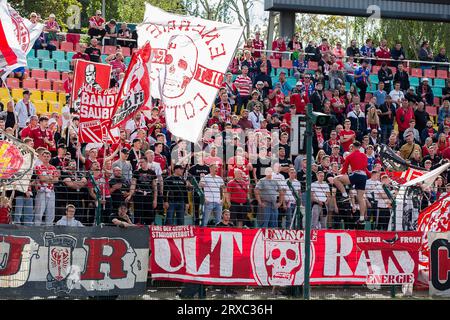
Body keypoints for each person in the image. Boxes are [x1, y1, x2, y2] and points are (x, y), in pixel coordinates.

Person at [333, 141, 370, 226]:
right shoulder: (364, 156)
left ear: (352, 147)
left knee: (336, 179)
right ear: (360, 147)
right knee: (361, 198)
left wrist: (340, 174)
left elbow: (344, 170)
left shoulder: (350, 156)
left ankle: (345, 195)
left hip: (355, 174)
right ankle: (361, 219)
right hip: (363, 176)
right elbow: (365, 168)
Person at [34, 150, 59, 226]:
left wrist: (47, 178)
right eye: (44, 156)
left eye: (48, 156)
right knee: (39, 213)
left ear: (50, 157)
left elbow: (56, 180)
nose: (46, 158)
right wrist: (50, 178)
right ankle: (36, 230)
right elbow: (41, 178)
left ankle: (49, 230)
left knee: (50, 213)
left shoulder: (53, 167)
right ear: (41, 157)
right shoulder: (38, 167)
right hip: (41, 191)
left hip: (51, 192)